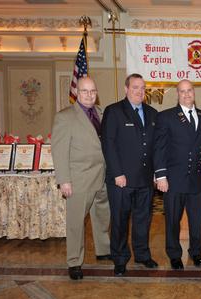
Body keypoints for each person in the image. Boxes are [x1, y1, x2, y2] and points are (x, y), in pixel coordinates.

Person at [51, 76, 111, 280]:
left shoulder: (102, 113)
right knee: (76, 222)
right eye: (85, 91)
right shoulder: (65, 117)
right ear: (77, 92)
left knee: (102, 216)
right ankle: (74, 261)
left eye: (93, 91)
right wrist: (64, 180)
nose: (89, 95)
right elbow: (59, 151)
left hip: (102, 175)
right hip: (79, 179)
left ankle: (103, 249)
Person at [101, 73, 158, 276]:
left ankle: (142, 255)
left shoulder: (152, 113)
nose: (139, 91)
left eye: (143, 88)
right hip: (121, 179)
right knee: (120, 220)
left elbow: (156, 147)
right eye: (135, 87)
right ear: (126, 89)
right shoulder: (114, 111)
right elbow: (108, 144)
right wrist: (117, 173)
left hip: (145, 179)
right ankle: (120, 258)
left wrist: (156, 173)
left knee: (143, 219)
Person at [154, 80, 201, 270]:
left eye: (189, 91)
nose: (186, 94)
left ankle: (196, 252)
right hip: (174, 180)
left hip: (196, 179)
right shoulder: (166, 117)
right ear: (177, 94)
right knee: (173, 220)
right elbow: (159, 148)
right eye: (182, 91)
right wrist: (160, 176)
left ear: (194, 92)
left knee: (196, 220)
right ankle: (174, 254)